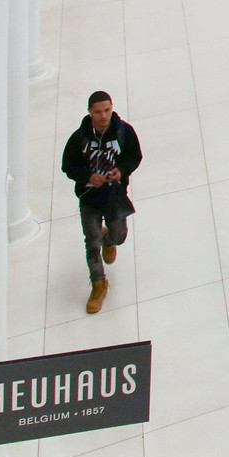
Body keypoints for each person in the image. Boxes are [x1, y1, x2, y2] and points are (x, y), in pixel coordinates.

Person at [61, 92, 142, 315]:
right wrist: (88, 177)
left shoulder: (124, 132)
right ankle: (98, 283)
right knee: (91, 241)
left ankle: (110, 239)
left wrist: (121, 171)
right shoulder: (79, 138)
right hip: (89, 198)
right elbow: (68, 165)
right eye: (97, 112)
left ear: (112, 108)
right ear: (90, 112)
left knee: (119, 236)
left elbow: (134, 156)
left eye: (106, 110)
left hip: (115, 195)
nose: (103, 116)